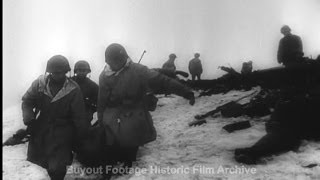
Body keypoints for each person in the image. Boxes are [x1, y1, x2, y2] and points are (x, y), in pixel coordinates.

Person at [98, 43, 195, 173]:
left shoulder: (138, 70)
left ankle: (129, 159)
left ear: (124, 58)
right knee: (108, 131)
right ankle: (112, 158)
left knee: (130, 131)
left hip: (134, 109)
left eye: (118, 60)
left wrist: (186, 92)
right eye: (112, 61)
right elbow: (102, 100)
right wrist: (100, 118)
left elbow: (162, 80)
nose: (115, 64)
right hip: (114, 110)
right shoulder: (104, 76)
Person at [22, 55, 89, 180]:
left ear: (66, 72)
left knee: (58, 165)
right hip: (42, 128)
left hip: (63, 130)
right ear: (49, 72)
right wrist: (29, 119)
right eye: (54, 72)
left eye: (61, 72)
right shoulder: (39, 84)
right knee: (46, 161)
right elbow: (27, 101)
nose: (57, 75)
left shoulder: (73, 89)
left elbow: (79, 116)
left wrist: (80, 136)